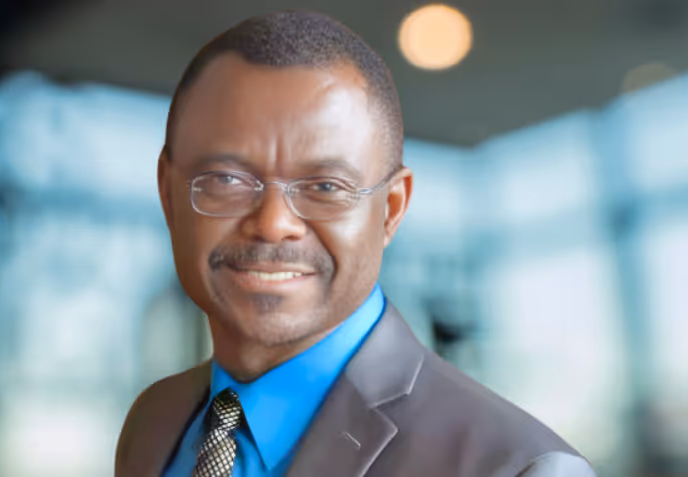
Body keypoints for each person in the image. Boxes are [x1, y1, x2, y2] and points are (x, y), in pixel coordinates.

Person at [115, 10, 595, 477]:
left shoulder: (521, 469)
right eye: (226, 179)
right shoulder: (154, 422)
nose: (273, 224)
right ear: (168, 193)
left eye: (325, 186)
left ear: (390, 210)